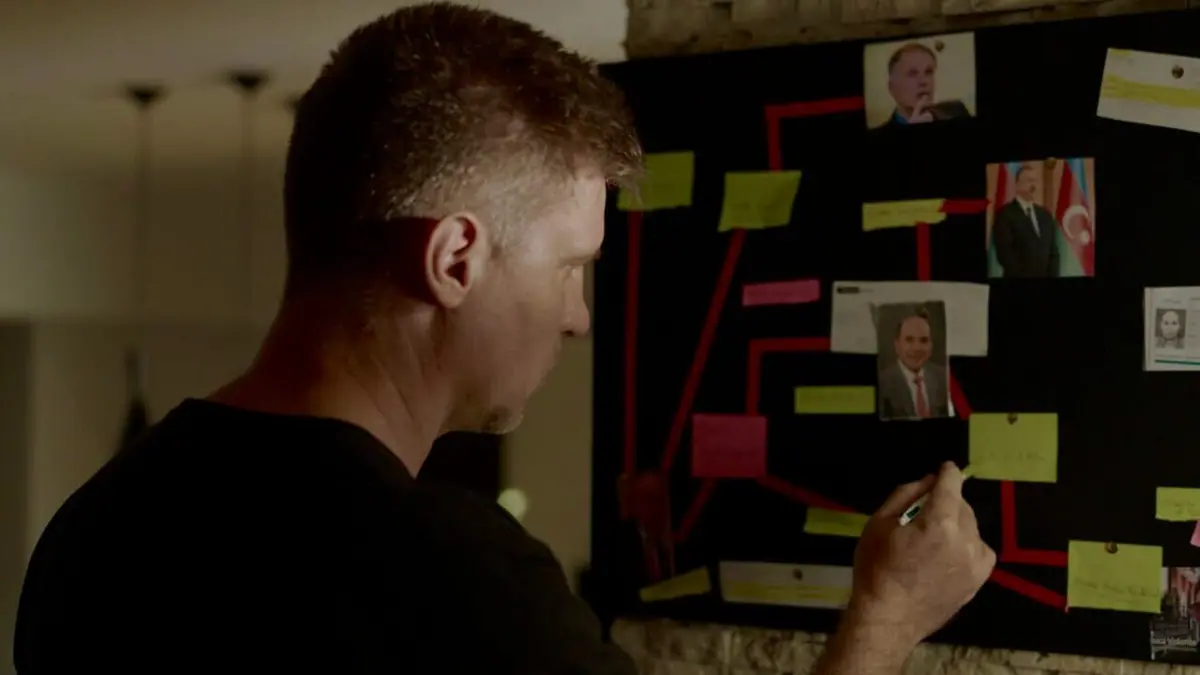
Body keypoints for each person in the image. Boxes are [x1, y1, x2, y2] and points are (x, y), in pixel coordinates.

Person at [13, 4, 994, 674]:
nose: (578, 315)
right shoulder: (448, 577)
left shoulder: (94, 527)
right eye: (569, 266)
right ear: (455, 259)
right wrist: (885, 622)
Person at [879, 308, 950, 421]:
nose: (917, 348)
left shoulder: (944, 377)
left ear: (931, 346)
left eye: (924, 340)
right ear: (897, 345)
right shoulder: (882, 384)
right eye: (909, 340)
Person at [877, 42, 971, 128]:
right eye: (912, 73)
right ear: (892, 88)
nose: (924, 81)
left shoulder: (957, 112)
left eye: (928, 72)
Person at [992, 162, 1061, 278]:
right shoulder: (1004, 214)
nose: (1034, 185)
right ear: (1018, 184)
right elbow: (1004, 254)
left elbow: (1053, 253)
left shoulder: (1046, 216)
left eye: (1035, 181)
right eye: (1029, 180)